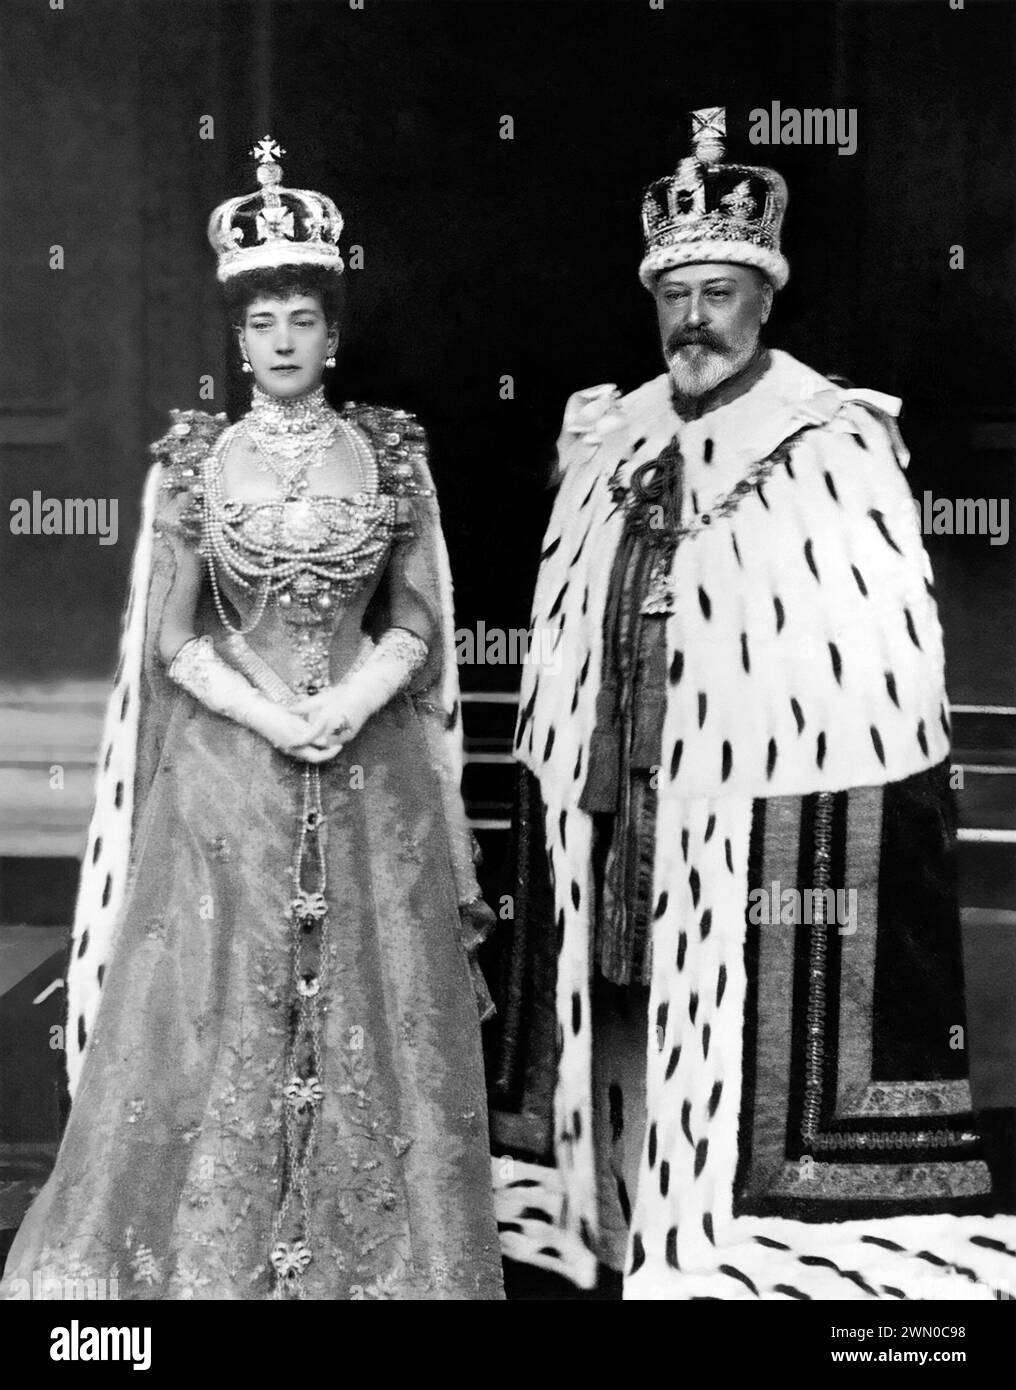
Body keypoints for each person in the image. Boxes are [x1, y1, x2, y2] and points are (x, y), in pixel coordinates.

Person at [492, 108, 1016, 1299]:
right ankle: (619, 1216)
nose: (693, 321)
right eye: (676, 296)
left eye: (719, 292)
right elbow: (568, 628)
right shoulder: (611, 434)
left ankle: (737, 1237)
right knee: (616, 990)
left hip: (759, 821)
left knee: (726, 1009)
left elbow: (876, 666)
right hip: (617, 794)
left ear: (763, 299)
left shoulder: (831, 440)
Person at [2, 137, 503, 1301]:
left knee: (378, 1005)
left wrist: (349, 701)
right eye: (262, 321)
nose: (281, 341)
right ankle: (221, 1252)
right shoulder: (193, 464)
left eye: (301, 320)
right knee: (229, 1000)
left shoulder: (390, 453)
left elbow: (419, 623)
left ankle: (369, 1254)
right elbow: (172, 640)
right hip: (230, 775)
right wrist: (276, 720)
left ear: (334, 334)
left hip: (375, 774)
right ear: (239, 339)